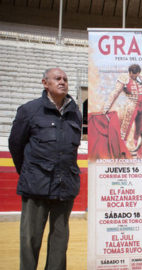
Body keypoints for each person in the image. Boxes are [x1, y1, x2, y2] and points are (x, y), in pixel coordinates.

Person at [9, 68, 82, 270]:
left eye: (65, 79)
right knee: (30, 239)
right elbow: (15, 145)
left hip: (65, 185)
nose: (62, 82)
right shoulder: (29, 110)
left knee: (60, 240)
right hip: (36, 185)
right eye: (57, 78)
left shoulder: (75, 112)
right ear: (45, 83)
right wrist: (29, 172)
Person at [103, 64, 142, 157]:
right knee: (125, 129)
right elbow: (115, 93)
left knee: (140, 130)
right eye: (133, 75)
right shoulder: (124, 78)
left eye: (137, 74)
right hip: (131, 106)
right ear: (130, 72)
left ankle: (139, 152)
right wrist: (106, 107)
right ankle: (120, 151)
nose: (135, 76)